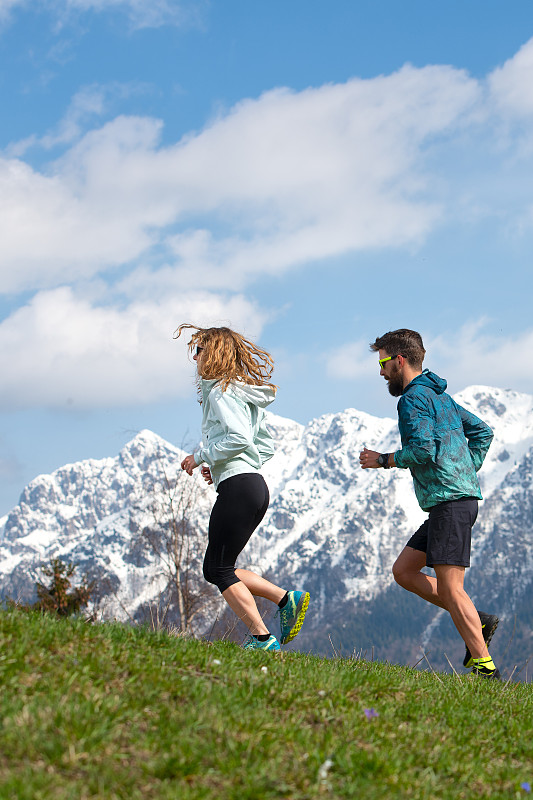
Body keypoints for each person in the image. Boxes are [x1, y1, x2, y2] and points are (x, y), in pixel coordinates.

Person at [359, 328, 500, 679]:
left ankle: (486, 669)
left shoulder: (411, 400)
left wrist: (383, 460)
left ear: (400, 360)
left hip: (451, 502)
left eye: (383, 362)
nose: (380, 371)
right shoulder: (440, 397)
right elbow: (483, 432)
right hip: (450, 501)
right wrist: (463, 469)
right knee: (404, 571)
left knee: (452, 589)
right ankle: (477, 619)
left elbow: (422, 450)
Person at [175, 324, 310, 651]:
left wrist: (201, 457)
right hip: (253, 486)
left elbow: (238, 439)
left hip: (240, 487)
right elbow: (262, 447)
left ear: (213, 353)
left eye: (198, 350)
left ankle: (262, 639)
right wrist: (224, 467)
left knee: (218, 569)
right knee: (220, 568)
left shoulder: (221, 392)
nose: (195, 358)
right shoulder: (241, 394)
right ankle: (284, 600)